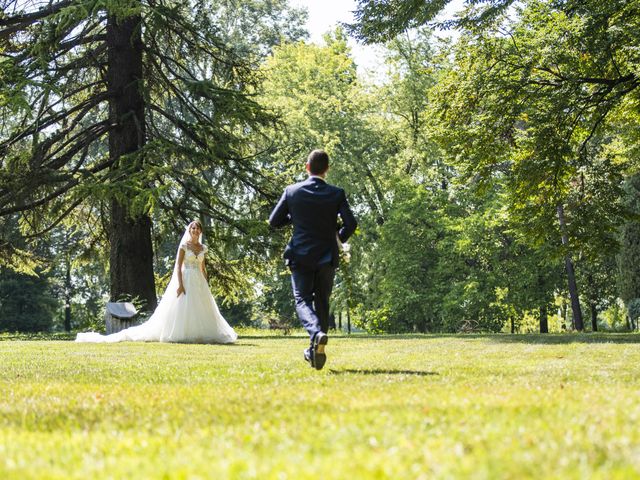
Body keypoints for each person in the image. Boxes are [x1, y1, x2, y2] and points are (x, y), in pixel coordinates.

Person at [76, 220, 237, 344]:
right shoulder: (184, 246)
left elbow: (203, 267)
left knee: (201, 307)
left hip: (199, 281)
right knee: (184, 306)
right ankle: (182, 333)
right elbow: (178, 266)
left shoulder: (203, 248)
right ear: (190, 230)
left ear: (200, 231)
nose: (194, 230)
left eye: (197, 228)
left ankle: (201, 334)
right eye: (192, 228)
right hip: (186, 278)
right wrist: (180, 285)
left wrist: (206, 283)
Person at [269, 150, 357, 370]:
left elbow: (273, 221)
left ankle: (316, 335)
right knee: (322, 302)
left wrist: (294, 218)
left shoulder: (292, 192)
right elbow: (351, 223)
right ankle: (315, 350)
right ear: (327, 169)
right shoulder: (336, 193)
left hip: (300, 254)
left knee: (302, 300)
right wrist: (337, 239)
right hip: (326, 255)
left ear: (307, 167)